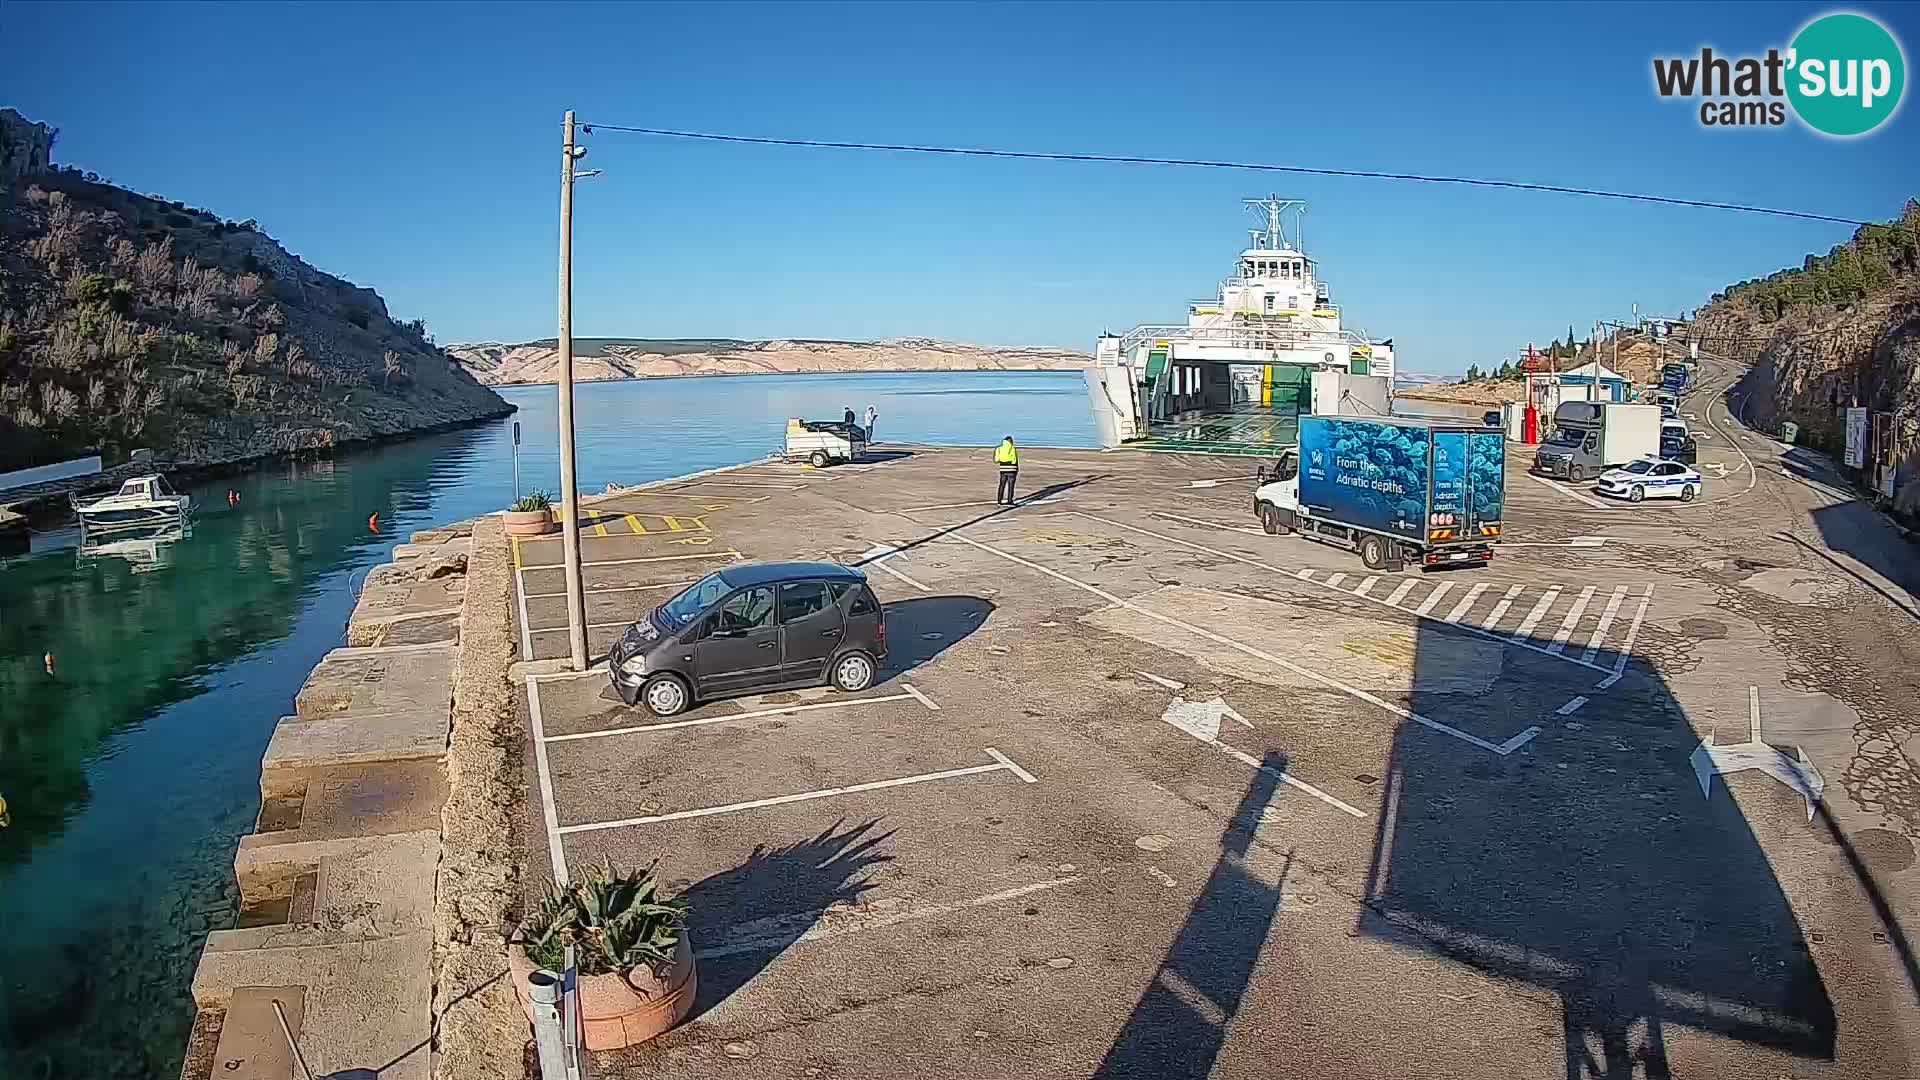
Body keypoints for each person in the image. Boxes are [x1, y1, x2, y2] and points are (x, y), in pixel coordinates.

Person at [994, 435, 1019, 505]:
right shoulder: (1013, 449)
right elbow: (1014, 460)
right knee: (1011, 486)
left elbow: (996, 460)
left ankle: (999, 500)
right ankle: (1010, 500)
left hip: (1003, 469)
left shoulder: (999, 449)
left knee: (1002, 485)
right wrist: (1017, 469)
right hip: (1012, 469)